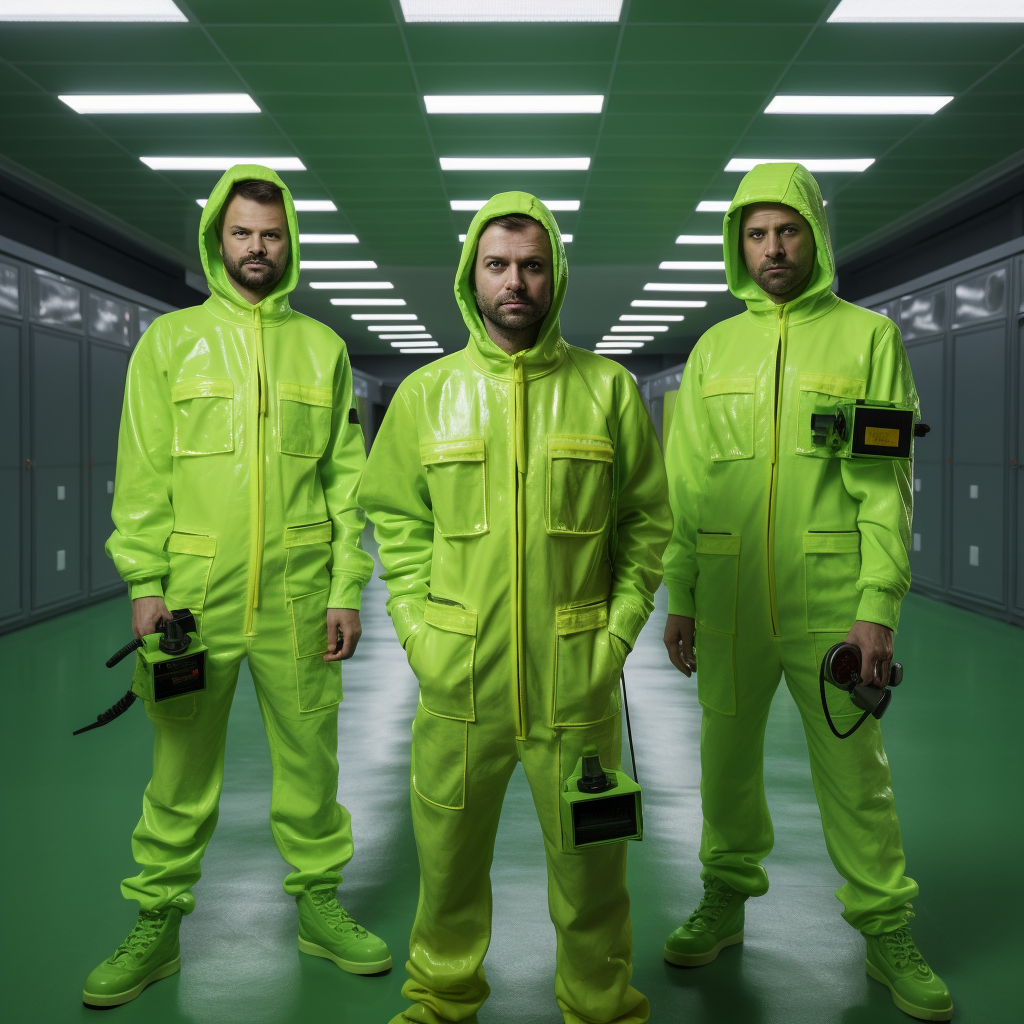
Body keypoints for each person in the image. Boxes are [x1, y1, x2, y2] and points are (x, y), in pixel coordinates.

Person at [83, 165, 390, 1009]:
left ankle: (320, 905)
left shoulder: (321, 349)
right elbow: (142, 475)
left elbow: (346, 486)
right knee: (178, 771)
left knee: (310, 764)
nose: (257, 248)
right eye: (242, 233)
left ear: (290, 244)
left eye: (272, 234)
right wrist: (145, 581)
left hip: (298, 598)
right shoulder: (169, 343)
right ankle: (157, 924)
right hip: (192, 600)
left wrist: (343, 589)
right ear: (219, 239)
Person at [359, 193, 670, 1024]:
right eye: (497, 265)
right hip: (460, 681)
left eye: (532, 265)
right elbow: (395, 517)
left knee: (592, 870)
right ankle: (442, 996)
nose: (515, 282)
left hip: (578, 682)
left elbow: (647, 522)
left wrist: (617, 633)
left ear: (555, 276)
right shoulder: (427, 395)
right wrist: (420, 632)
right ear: (472, 277)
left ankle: (600, 1002)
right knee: (448, 862)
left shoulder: (607, 390)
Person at [661, 162, 952, 1022]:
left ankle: (884, 925)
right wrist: (681, 594)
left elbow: (884, 484)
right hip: (730, 600)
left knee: (856, 775)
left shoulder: (867, 338)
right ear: (737, 244)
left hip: (829, 601)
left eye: (787, 230)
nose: (772, 248)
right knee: (724, 766)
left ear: (815, 235)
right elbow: (690, 485)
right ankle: (724, 896)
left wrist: (878, 606)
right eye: (755, 233)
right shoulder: (714, 349)